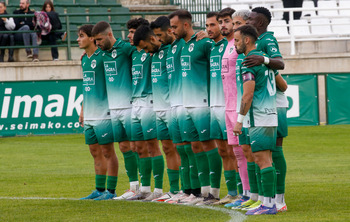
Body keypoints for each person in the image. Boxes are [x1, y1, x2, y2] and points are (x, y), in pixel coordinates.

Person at [169, 9, 223, 205]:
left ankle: (214, 193)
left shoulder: (205, 43)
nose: (172, 30)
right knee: (193, 147)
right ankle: (200, 192)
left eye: (174, 27)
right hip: (186, 104)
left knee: (208, 145)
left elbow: (218, 65)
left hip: (203, 104)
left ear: (186, 25)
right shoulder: (182, 46)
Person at [245, 7, 288, 212]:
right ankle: (265, 197)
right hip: (262, 103)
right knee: (259, 152)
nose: (247, 21)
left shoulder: (267, 40)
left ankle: (279, 199)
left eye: (251, 19)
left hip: (272, 103)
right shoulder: (251, 43)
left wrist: (264, 60)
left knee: (274, 150)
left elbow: (280, 64)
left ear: (260, 23)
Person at [91, 21, 139, 200]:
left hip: (130, 106)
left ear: (110, 35)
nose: (98, 44)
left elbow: (143, 53)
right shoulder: (101, 54)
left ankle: (144, 187)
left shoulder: (126, 49)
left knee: (137, 147)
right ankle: (133, 186)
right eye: (95, 41)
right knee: (124, 146)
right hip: (114, 108)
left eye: (100, 39)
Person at [133, 23, 181, 202]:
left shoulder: (173, 49)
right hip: (158, 108)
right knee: (167, 148)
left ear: (153, 39)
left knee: (180, 149)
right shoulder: (153, 54)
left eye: (146, 47)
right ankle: (170, 190)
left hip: (173, 106)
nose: (145, 52)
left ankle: (182, 189)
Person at [233, 24, 278, 215]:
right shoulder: (265, 60)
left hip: (258, 116)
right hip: (270, 114)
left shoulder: (249, 61)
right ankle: (269, 202)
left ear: (247, 40)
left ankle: (268, 205)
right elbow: (282, 85)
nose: (235, 44)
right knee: (266, 159)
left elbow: (247, 95)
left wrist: (239, 119)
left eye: (236, 40)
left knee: (261, 160)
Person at [150, 16, 192, 204]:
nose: (157, 39)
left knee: (184, 148)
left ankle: (189, 188)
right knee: (168, 148)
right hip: (162, 107)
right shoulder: (160, 51)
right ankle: (174, 189)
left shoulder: (180, 46)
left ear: (169, 31)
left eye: (159, 35)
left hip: (177, 106)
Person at [125, 18, 165, 201]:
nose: (130, 36)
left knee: (152, 146)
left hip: (149, 100)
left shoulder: (155, 50)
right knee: (138, 147)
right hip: (135, 103)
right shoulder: (133, 52)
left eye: (133, 32)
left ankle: (158, 190)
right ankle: (144, 189)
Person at [77, 24, 118, 201]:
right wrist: (82, 110)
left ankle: (111, 191)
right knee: (95, 151)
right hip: (90, 114)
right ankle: (99, 190)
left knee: (108, 151)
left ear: (92, 38)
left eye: (81, 36)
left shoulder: (104, 57)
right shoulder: (83, 59)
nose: (78, 39)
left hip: (104, 114)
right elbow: (87, 87)